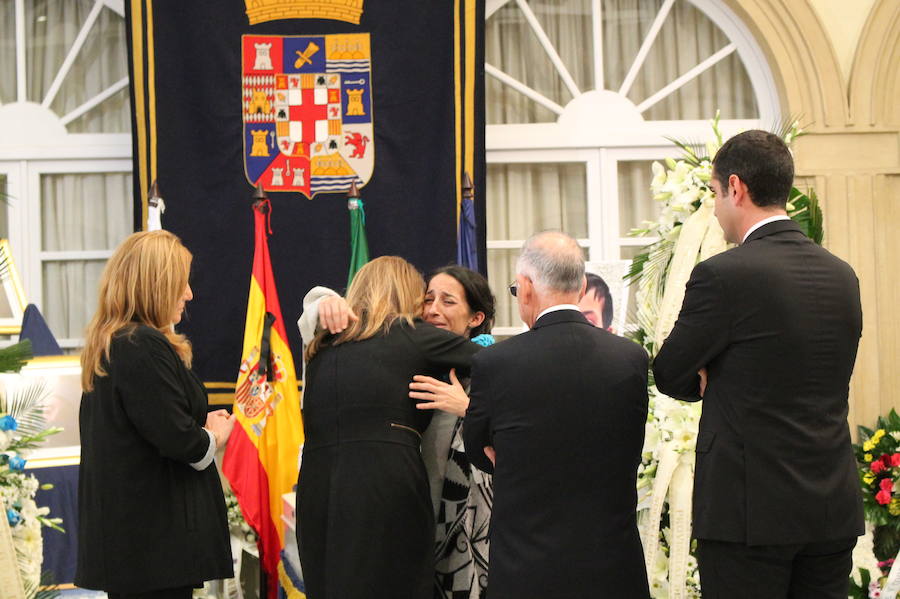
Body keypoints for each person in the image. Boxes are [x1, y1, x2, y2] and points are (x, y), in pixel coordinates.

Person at [652, 130, 863, 598]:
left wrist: (712, 377)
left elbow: (669, 371)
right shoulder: (842, 275)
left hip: (750, 513)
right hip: (829, 506)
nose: (714, 208)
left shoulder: (724, 275)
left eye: (713, 194)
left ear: (736, 188)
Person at [464, 231, 650, 599]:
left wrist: (516, 458)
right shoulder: (629, 358)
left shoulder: (495, 363)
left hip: (527, 568)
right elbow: (630, 443)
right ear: (581, 287)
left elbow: (477, 449)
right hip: (612, 568)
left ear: (526, 286)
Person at [299, 265, 496, 599]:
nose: (428, 309)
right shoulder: (410, 334)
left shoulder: (320, 345)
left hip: (316, 487)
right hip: (387, 485)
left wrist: (320, 301)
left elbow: (311, 311)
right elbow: (506, 364)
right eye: (425, 298)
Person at [76, 230, 234, 599]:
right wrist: (214, 433)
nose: (189, 294)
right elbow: (182, 441)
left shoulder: (115, 343)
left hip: (140, 552)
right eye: (181, 284)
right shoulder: (139, 346)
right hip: (152, 552)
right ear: (155, 285)